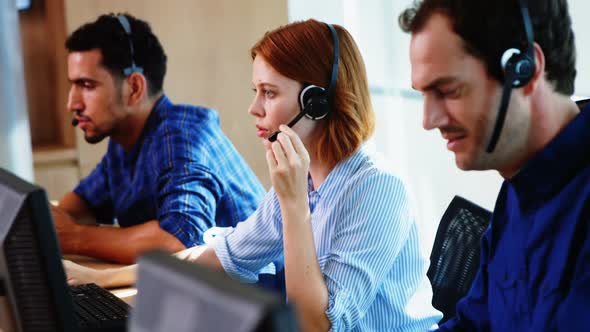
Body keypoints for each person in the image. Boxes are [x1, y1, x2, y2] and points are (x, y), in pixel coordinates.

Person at [65, 19, 442, 331]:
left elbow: (317, 324)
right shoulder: (305, 180)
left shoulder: (376, 189)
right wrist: (103, 279)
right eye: (255, 91)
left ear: (317, 102)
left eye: (269, 93)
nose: (253, 108)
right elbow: (219, 256)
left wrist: (293, 204)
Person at [400, 0, 590, 330]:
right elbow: (475, 324)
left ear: (525, 69)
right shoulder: (516, 192)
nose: (428, 121)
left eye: (448, 90)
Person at [52, 13, 265, 264]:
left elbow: (179, 241)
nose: (71, 103)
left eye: (87, 85)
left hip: (260, 298)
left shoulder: (183, 137)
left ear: (134, 88)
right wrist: (49, 222)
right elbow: (82, 206)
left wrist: (74, 237)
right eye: (72, 86)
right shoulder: (123, 141)